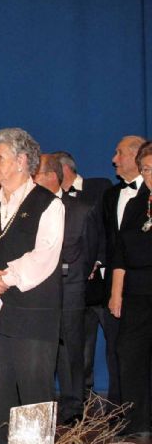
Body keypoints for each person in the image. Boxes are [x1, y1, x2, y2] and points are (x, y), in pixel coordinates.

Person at [0, 128, 65, 444]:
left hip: (34, 316)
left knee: (33, 393)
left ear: (21, 161)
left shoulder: (49, 204)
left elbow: (43, 257)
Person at [33, 154, 98, 425]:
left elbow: (87, 253)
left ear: (51, 176)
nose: (31, 179)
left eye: (36, 174)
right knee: (38, 351)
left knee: (71, 350)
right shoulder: (28, 210)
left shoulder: (81, 210)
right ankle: (39, 406)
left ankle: (73, 407)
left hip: (69, 290)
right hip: (33, 292)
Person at [51, 150, 113, 400]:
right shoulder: (49, 200)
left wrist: (97, 261)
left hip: (101, 280)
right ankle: (82, 395)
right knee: (78, 344)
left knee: (115, 341)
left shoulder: (100, 188)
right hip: (73, 284)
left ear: (63, 169)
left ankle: (121, 398)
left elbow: (109, 229)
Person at [108, 140, 152, 436]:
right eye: (145, 169)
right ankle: (137, 421)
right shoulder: (136, 204)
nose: (148, 175)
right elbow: (120, 252)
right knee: (129, 352)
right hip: (136, 290)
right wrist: (115, 293)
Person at [101, 135, 147, 406]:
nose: (114, 160)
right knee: (120, 349)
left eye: (119, 153)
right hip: (121, 287)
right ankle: (122, 410)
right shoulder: (114, 196)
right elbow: (113, 244)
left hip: (144, 285)